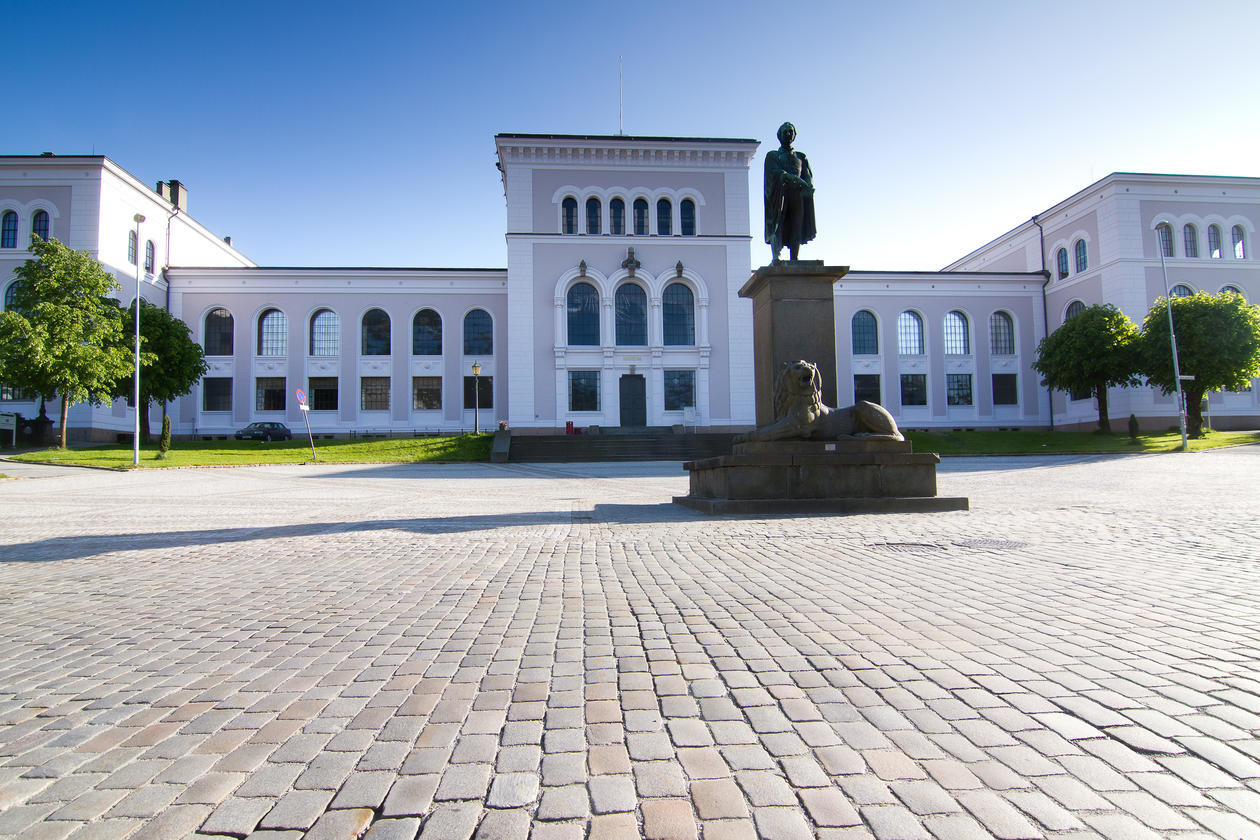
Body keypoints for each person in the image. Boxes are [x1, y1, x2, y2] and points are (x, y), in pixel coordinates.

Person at [764, 122, 817, 262]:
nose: (788, 134)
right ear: (779, 135)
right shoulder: (773, 156)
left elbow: (807, 175)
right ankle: (777, 256)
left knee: (797, 225)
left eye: (791, 132)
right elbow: (773, 173)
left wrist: (809, 186)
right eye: (785, 132)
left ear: (794, 135)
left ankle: (795, 257)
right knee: (777, 224)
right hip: (780, 194)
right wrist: (790, 177)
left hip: (798, 196)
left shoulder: (801, 157)